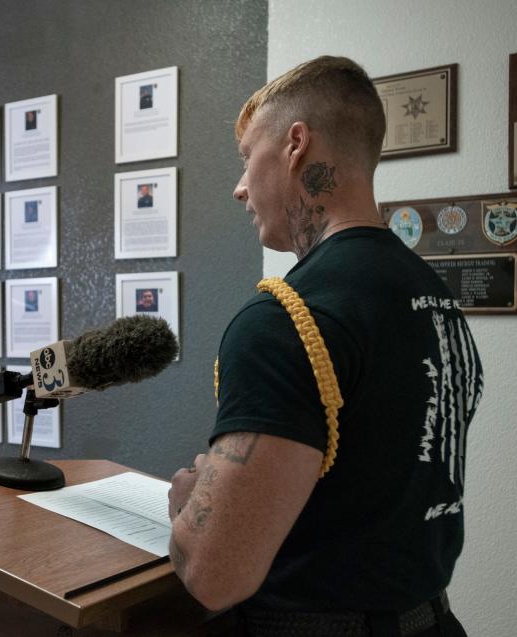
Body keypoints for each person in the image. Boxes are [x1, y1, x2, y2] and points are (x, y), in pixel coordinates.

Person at [167, 56, 479, 636]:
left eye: (245, 158)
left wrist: (188, 502)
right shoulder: (435, 298)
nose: (239, 189)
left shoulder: (283, 316)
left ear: (295, 145)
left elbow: (214, 576)